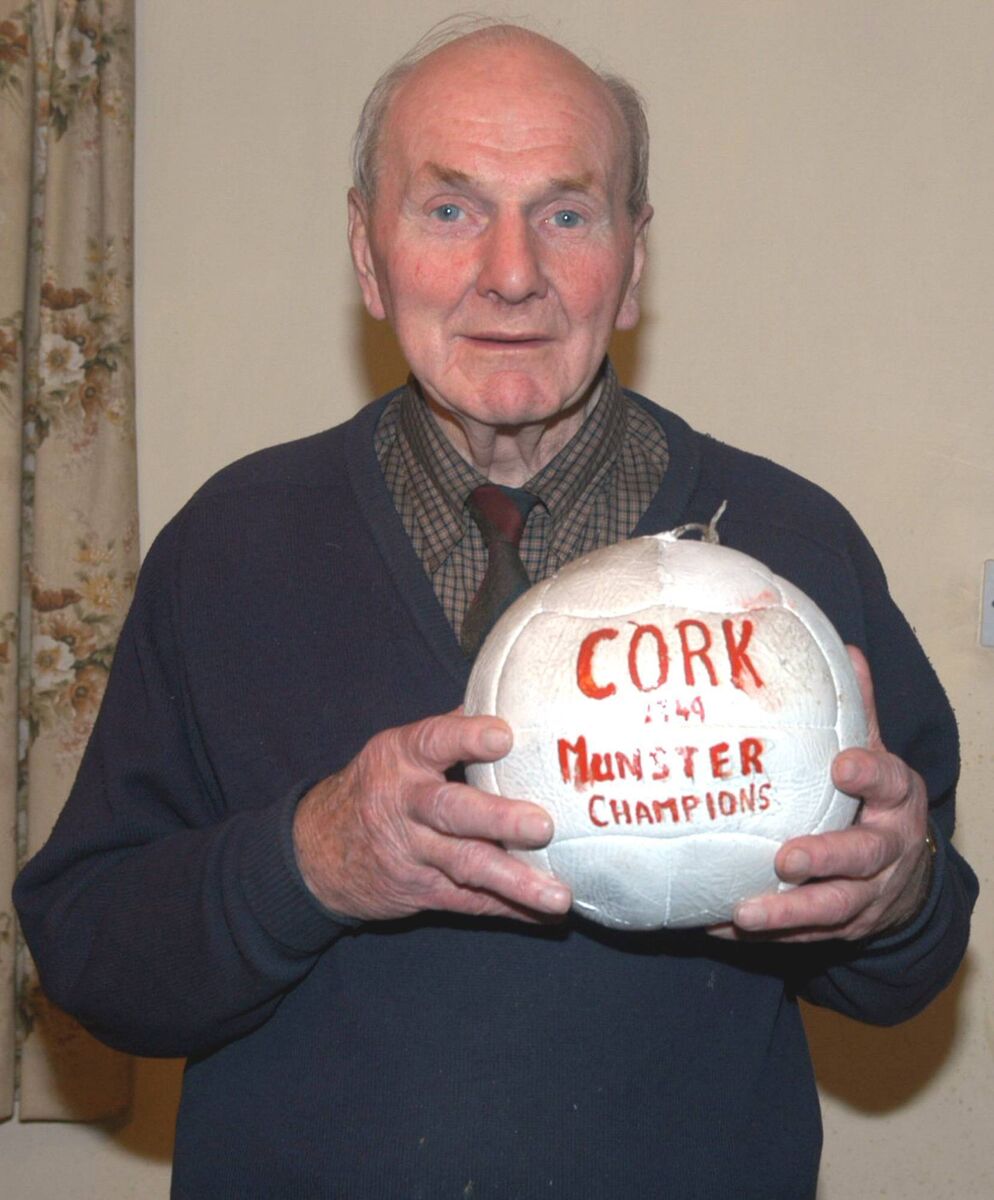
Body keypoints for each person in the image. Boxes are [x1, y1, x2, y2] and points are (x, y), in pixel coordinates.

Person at [14, 19, 977, 1200]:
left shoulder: (788, 547)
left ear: (633, 261)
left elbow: (908, 967)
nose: (511, 273)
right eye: (449, 209)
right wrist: (308, 861)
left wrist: (895, 896)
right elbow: (90, 955)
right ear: (368, 255)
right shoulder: (228, 545)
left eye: (566, 214)